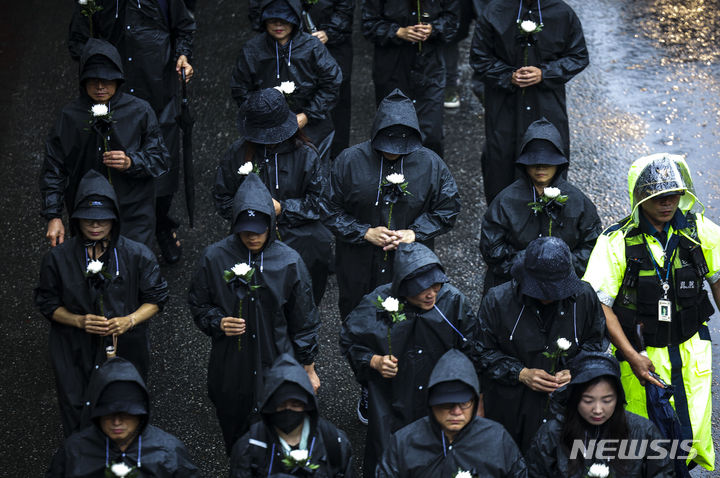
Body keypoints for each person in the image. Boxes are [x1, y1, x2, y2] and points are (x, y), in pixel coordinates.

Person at [583, 153, 719, 471]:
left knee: (690, 437)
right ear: (639, 196)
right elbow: (599, 304)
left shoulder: (699, 232)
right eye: (658, 195)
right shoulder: (615, 242)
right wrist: (631, 355)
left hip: (691, 353)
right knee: (645, 445)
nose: (668, 202)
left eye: (673, 194)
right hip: (642, 357)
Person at [189, 173, 321, 455]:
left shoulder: (289, 262)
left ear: (271, 225)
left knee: (279, 433)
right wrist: (218, 321)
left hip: (277, 359)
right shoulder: (214, 257)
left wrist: (308, 366)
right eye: (245, 229)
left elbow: (304, 319)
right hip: (230, 365)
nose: (252, 236)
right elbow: (199, 304)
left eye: (259, 229)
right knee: (234, 431)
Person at [35, 169, 168, 437]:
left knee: (124, 410)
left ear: (115, 219)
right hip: (73, 347)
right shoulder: (57, 259)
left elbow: (156, 299)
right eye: (88, 220)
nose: (95, 226)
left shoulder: (137, 255)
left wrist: (129, 320)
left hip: (126, 347)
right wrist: (78, 321)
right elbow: (46, 301)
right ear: (77, 219)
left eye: (103, 220)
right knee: (76, 409)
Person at [69, 0, 196, 264]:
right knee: (112, 162)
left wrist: (183, 56)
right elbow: (78, 40)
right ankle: (112, 230)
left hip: (158, 94)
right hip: (113, 98)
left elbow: (184, 27)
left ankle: (162, 224)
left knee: (162, 168)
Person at [340, 242, 479, 476]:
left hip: (438, 398)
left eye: (435, 285)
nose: (430, 294)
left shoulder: (453, 302)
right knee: (388, 458)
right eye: (421, 289)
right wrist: (373, 360)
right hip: (391, 398)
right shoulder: (377, 301)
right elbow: (349, 340)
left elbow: (473, 348)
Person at [325, 89, 460, 319]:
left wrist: (414, 233)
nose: (391, 151)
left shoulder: (431, 165)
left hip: (410, 262)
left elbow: (447, 209)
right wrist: (364, 232)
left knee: (409, 322)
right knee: (358, 317)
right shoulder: (348, 161)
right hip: (358, 262)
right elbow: (328, 207)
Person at [477, 236, 605, 452]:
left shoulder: (584, 297)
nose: (548, 296)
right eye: (541, 289)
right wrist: (520, 373)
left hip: (567, 409)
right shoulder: (497, 300)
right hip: (511, 408)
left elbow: (597, 343)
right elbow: (481, 352)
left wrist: (577, 370)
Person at [40, 38, 169, 248]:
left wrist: (131, 162)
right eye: (93, 80)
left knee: (134, 270)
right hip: (88, 215)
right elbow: (53, 168)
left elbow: (160, 158)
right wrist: (53, 216)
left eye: (107, 80)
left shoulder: (140, 111)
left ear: (118, 79)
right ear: (83, 81)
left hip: (134, 212)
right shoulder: (69, 117)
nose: (100, 87)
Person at [214, 88, 332, 305]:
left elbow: (322, 203)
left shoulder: (306, 154)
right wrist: (250, 210)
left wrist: (283, 208)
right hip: (251, 234)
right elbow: (222, 198)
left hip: (300, 234)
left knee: (301, 298)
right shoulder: (237, 153)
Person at [469, 0, 589, 204]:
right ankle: (501, 222)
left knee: (547, 158)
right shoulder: (495, 11)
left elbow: (578, 56)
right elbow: (479, 57)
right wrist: (508, 75)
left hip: (546, 105)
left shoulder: (562, 13)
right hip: (504, 106)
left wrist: (546, 73)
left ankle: (548, 221)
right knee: (501, 162)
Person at [479, 118, 601, 293]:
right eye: (534, 161)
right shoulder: (505, 201)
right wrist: (528, 263)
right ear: (524, 163)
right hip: (515, 285)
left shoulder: (578, 202)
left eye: (548, 161)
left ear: (559, 163)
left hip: (564, 286)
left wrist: (559, 266)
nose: (541, 166)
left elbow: (593, 246)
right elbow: (491, 248)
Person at [377, 349, 527, 477]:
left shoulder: (497, 439)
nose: (456, 412)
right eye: (447, 403)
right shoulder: (404, 443)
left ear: (475, 402)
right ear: (432, 403)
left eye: (464, 403)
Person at [525, 351, 674, 477]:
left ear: (618, 398)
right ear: (575, 398)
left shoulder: (643, 431)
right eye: (588, 400)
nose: (597, 409)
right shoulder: (551, 433)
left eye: (607, 400)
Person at [46, 357, 199, 477]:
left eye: (125, 414)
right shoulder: (73, 451)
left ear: (140, 414)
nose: (117, 422)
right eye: (108, 414)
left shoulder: (169, 452)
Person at [232, 0, 342, 164]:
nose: (278, 25)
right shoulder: (252, 50)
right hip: (265, 128)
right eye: (272, 20)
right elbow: (240, 88)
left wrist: (307, 115)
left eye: (285, 20)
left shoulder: (312, 47)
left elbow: (332, 81)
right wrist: (263, 115)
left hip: (311, 125)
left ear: (295, 20)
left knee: (313, 172)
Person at [229, 353, 353, 477]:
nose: (288, 410)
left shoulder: (334, 442)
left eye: (295, 404)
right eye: (281, 404)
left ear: (307, 405)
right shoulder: (248, 448)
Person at [362, 0, 459, 156]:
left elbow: (453, 20)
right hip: (392, 67)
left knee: (431, 134)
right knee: (393, 132)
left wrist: (433, 29)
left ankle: (430, 178)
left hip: (430, 67)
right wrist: (398, 32)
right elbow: (368, 24)